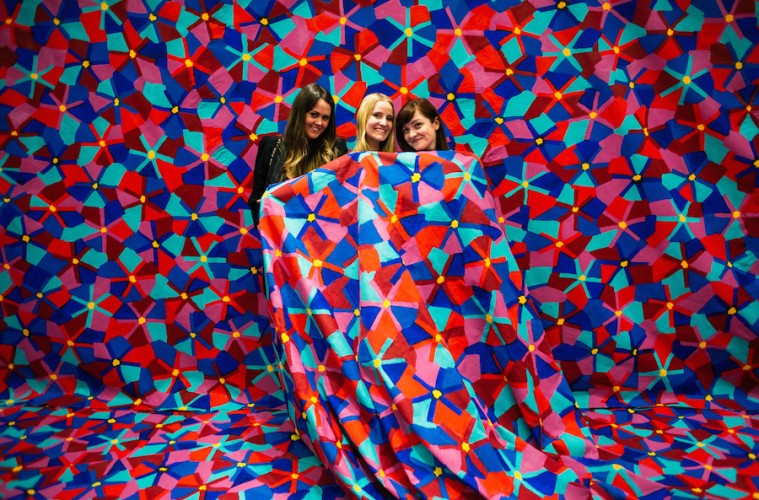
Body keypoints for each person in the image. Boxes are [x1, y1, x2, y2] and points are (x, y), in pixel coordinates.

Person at [248, 83, 347, 224]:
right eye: (314, 115)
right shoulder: (271, 146)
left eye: (325, 118)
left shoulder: (337, 149)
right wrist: (263, 213)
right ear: (300, 113)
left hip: (320, 233)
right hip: (279, 232)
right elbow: (255, 200)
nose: (319, 122)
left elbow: (341, 200)